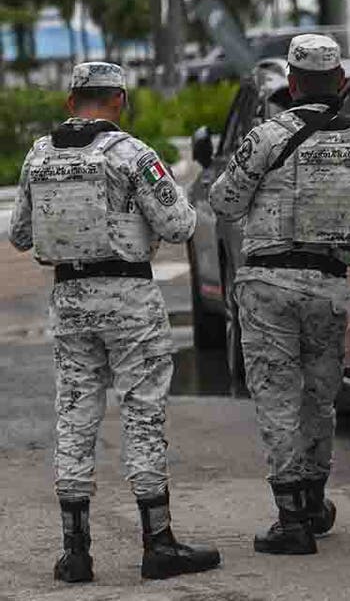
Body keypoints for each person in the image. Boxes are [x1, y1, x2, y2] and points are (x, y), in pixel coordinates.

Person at [209, 35, 350, 555]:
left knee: (277, 398)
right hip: (329, 288)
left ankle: (291, 517)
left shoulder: (266, 136)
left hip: (268, 286)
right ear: (340, 82)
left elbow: (224, 201)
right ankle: (314, 500)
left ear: (292, 84)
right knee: (320, 397)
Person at [7, 62, 221, 583]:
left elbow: (19, 235)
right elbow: (179, 223)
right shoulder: (132, 154)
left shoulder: (40, 154)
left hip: (70, 298)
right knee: (142, 413)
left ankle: (74, 552)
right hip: (129, 298)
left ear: (70, 103)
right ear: (119, 100)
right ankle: (158, 541)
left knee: (75, 415)